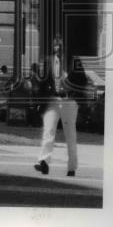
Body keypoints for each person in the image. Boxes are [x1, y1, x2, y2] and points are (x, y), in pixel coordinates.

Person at [33, 35, 88, 177]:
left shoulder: (74, 61)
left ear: (65, 48)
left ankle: (72, 167)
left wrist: (71, 88)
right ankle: (43, 162)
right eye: (56, 46)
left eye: (61, 46)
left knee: (70, 135)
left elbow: (83, 81)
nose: (58, 49)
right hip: (53, 101)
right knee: (48, 130)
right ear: (53, 48)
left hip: (69, 101)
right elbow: (43, 83)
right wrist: (38, 101)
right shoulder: (48, 61)